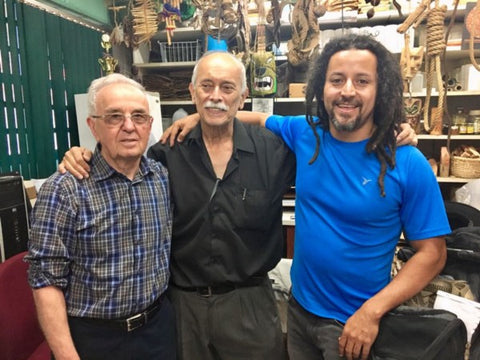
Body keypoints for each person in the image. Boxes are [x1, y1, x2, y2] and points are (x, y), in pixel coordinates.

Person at [60, 48, 418, 359]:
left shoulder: (277, 151)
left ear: (243, 96)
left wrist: (391, 131)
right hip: (182, 307)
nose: (216, 96)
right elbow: (122, 166)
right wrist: (84, 156)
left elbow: (341, 145)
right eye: (207, 86)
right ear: (192, 92)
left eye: (227, 88)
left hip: (250, 307)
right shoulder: (165, 154)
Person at [159, 34, 450, 360]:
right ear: (321, 87)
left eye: (362, 81)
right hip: (299, 313)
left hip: (354, 323)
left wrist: (372, 312)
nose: (348, 90)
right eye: (337, 80)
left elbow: (433, 254)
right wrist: (202, 113)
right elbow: (251, 116)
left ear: (380, 90)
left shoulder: (406, 162)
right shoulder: (306, 132)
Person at [25, 73, 175, 360]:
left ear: (150, 125)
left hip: (158, 331)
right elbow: (46, 282)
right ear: (93, 127)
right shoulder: (64, 191)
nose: (129, 126)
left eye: (139, 116)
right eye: (114, 117)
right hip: (94, 340)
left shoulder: (161, 178)